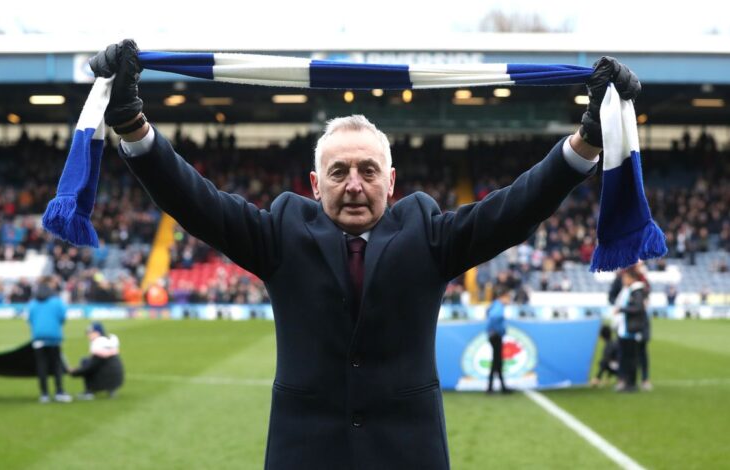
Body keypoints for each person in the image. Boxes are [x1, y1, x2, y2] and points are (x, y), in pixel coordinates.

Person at [89, 39, 640, 469]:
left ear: (391, 181)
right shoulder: (281, 232)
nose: (354, 184)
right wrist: (133, 126)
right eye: (339, 172)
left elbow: (516, 207)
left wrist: (588, 139)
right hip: (304, 455)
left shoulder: (428, 232)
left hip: (409, 456)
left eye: (368, 171)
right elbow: (196, 201)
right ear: (314, 183)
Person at [27, 276, 71, 403]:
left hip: (38, 337)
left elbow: (30, 319)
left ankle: (44, 394)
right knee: (56, 365)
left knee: (42, 366)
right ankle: (59, 392)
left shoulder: (33, 303)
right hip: (54, 337)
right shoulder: (56, 301)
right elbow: (62, 317)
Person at [613, 268, 648, 392]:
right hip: (625, 329)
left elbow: (638, 308)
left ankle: (631, 383)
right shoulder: (629, 291)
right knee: (626, 357)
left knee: (631, 357)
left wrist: (622, 309)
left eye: (625, 278)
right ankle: (627, 381)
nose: (623, 280)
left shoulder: (636, 292)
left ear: (632, 279)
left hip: (631, 330)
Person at [70, 322, 124, 399]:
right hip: (117, 380)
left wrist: (75, 372)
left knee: (85, 361)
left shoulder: (98, 343)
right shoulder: (108, 341)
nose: (88, 335)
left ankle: (89, 392)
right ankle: (111, 390)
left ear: (97, 333)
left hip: (105, 379)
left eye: (90, 333)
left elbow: (90, 367)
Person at [486, 287, 512, 394]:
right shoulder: (498, 306)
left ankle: (495, 387)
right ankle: (496, 388)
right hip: (496, 336)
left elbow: (489, 314)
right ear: (503, 297)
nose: (509, 300)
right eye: (508, 298)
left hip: (493, 335)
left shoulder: (495, 305)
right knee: (497, 362)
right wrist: (499, 330)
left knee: (497, 362)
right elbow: (494, 316)